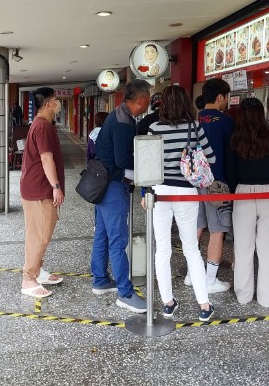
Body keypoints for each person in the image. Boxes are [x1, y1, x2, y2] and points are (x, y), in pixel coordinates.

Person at [147, 85, 216, 321]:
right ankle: (204, 305)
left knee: (162, 248)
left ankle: (168, 302)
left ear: (163, 104)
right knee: (191, 249)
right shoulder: (195, 127)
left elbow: (147, 166)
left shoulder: (154, 128)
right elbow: (211, 157)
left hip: (160, 192)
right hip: (187, 192)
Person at [91, 79, 151, 313]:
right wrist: (146, 164)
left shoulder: (117, 114)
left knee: (103, 235)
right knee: (118, 241)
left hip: (102, 185)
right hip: (114, 186)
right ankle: (125, 294)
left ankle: (101, 280)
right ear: (142, 99)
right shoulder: (124, 122)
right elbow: (122, 159)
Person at [226, 98, 269, 307]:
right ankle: (268, 299)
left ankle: (244, 295)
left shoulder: (235, 139)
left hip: (242, 194)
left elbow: (231, 173)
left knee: (243, 248)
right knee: (268, 249)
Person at [188, 78, 234, 293]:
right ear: (220, 97)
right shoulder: (226, 122)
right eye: (226, 98)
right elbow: (231, 155)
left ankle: (191, 273)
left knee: (196, 226)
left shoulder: (192, 120)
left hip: (193, 183)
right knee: (217, 230)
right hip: (218, 183)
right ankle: (209, 280)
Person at [19, 87, 66, 298]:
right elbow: (46, 159)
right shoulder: (43, 126)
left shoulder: (41, 125)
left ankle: (38, 271)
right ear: (48, 103)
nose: (58, 103)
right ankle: (28, 279)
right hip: (39, 189)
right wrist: (56, 186)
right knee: (38, 236)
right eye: (55, 100)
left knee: (43, 234)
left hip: (38, 187)